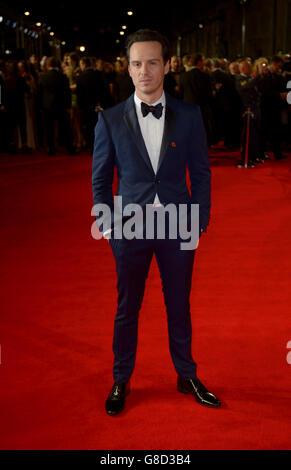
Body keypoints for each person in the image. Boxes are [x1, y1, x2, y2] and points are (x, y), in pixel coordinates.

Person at [92, 29, 221, 416]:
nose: (143, 71)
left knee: (179, 304)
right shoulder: (110, 119)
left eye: (151, 62)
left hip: (177, 225)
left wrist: (197, 221)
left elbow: (201, 174)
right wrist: (109, 226)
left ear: (167, 65)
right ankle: (121, 378)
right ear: (128, 69)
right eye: (136, 64)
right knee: (127, 306)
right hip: (129, 228)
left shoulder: (189, 115)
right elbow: (100, 179)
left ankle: (186, 374)